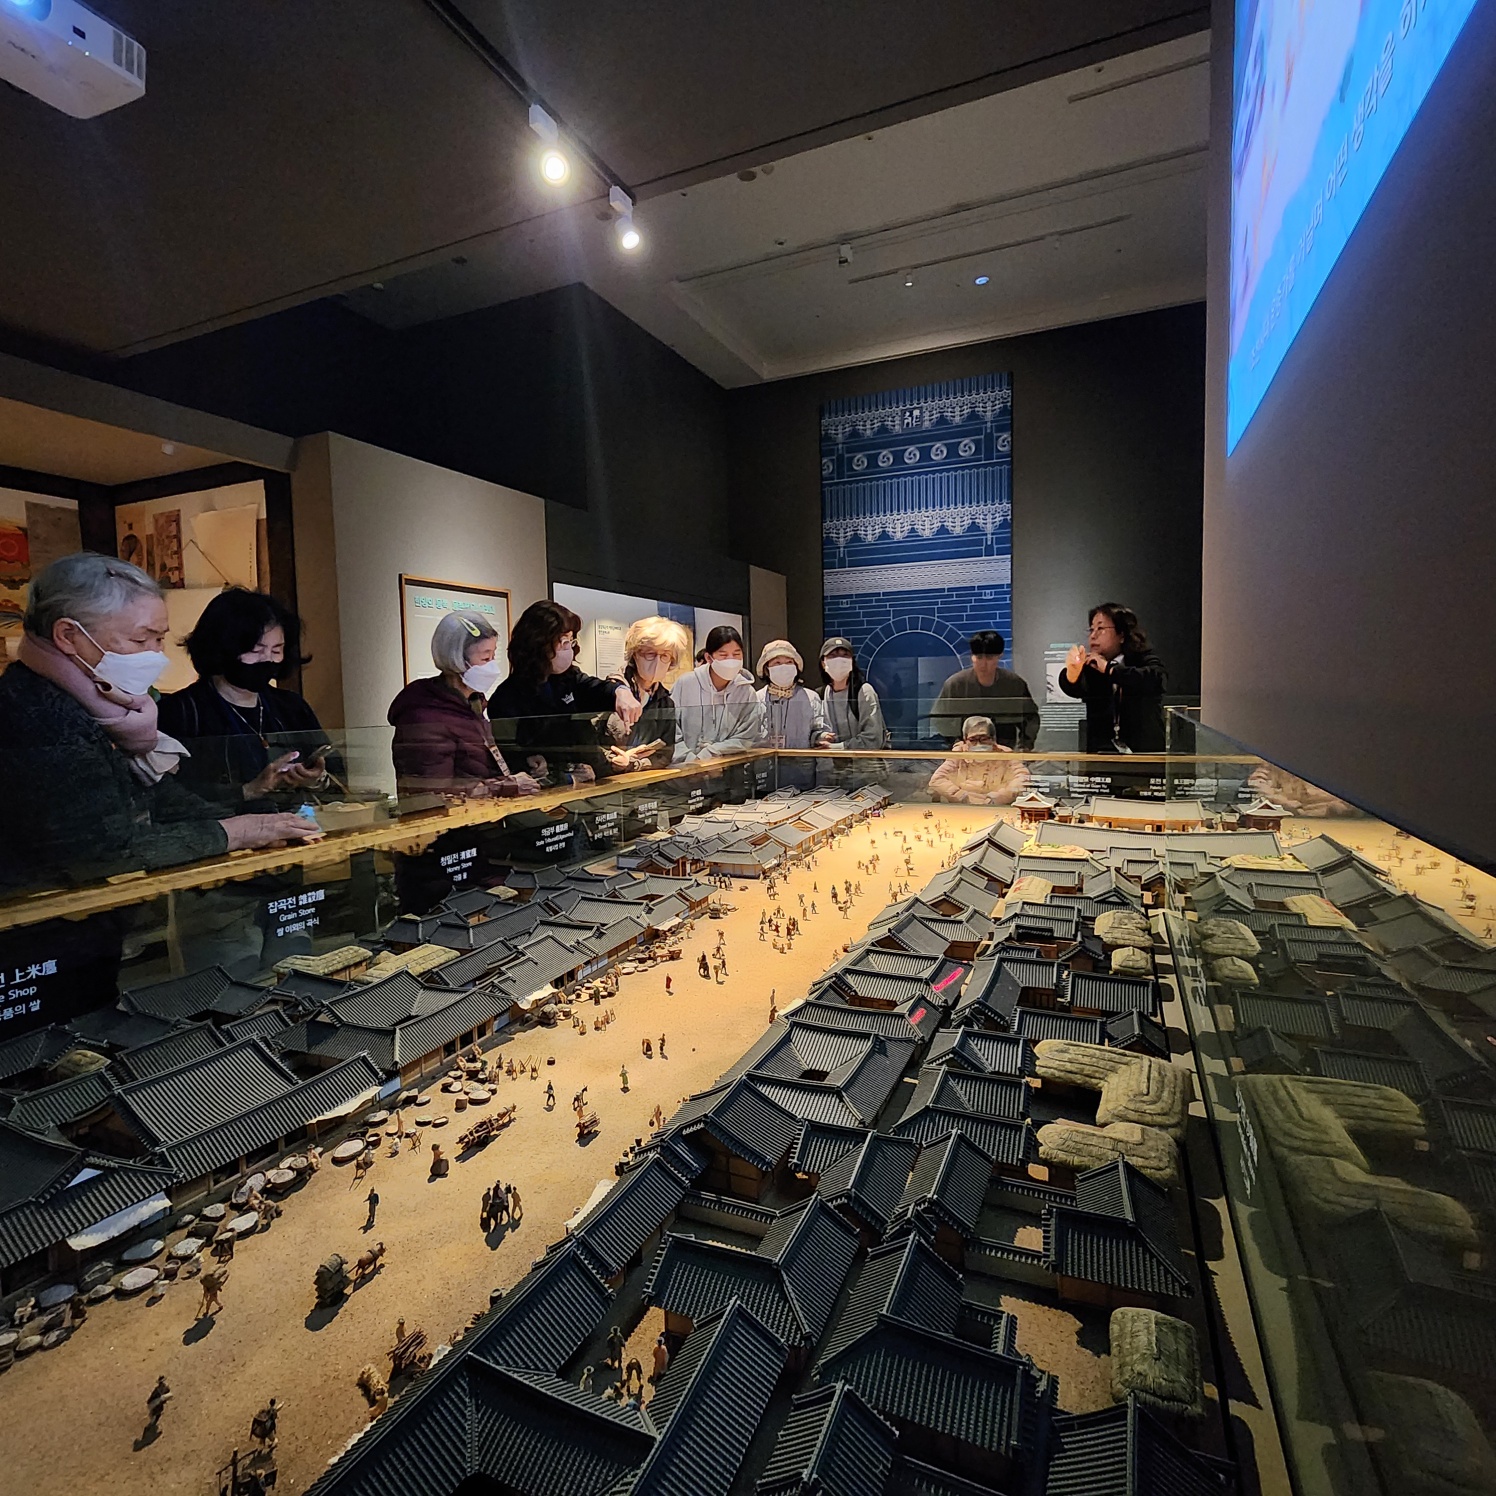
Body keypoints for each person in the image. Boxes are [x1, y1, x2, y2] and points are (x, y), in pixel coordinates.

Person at [0, 554, 321, 898]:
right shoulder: (34, 714)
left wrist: (256, 818)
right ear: (67, 635)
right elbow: (98, 851)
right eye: (142, 641)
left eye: (159, 639)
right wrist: (236, 831)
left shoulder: (109, 706)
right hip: (47, 914)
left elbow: (160, 798)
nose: (156, 655)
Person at [158, 588, 336, 812]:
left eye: (277, 650)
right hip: (222, 831)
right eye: (255, 650)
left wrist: (316, 779)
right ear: (222, 649)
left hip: (294, 827)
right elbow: (166, 797)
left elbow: (337, 773)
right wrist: (247, 791)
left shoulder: (291, 707)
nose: (267, 660)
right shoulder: (179, 712)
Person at [388, 610, 542, 799]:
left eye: (493, 656)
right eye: (485, 658)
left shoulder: (472, 703)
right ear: (457, 659)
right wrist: (504, 786)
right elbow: (432, 793)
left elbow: (476, 766)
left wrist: (520, 769)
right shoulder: (424, 716)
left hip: (478, 811)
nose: (492, 667)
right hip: (453, 816)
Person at [488, 600, 642, 786]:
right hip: (547, 792)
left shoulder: (569, 678)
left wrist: (620, 691)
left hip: (588, 783)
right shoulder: (507, 698)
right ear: (540, 644)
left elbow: (594, 688)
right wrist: (535, 765)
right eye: (563, 641)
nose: (569, 647)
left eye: (570, 640)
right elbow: (510, 759)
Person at [1058, 603, 1166, 752]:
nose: (1093, 636)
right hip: (1102, 755)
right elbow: (1075, 687)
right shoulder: (1092, 666)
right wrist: (1072, 673)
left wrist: (1109, 669)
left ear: (1121, 635)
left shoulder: (1142, 659)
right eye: (1091, 629)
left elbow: (1156, 679)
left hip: (1144, 754)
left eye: (1100, 629)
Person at [599, 616, 691, 773]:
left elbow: (666, 753)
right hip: (607, 781)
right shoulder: (608, 692)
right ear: (635, 654)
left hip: (643, 781)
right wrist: (612, 759)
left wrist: (634, 763)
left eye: (665, 656)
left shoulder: (665, 702)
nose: (657, 662)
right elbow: (587, 744)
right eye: (650, 653)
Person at [928, 630, 1039, 748]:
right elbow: (939, 719)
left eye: (989, 658)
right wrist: (955, 742)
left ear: (999, 656)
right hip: (966, 750)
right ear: (972, 656)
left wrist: (1024, 747)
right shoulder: (955, 684)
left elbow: (1031, 719)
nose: (983, 664)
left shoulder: (1014, 684)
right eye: (979, 657)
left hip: (1003, 750)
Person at [671, 625, 764, 763]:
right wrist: (691, 761)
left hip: (727, 768)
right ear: (709, 658)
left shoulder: (746, 692)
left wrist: (712, 752)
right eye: (723, 655)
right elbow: (671, 730)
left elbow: (746, 736)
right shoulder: (685, 684)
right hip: (684, 768)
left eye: (736, 654)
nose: (731, 660)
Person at [928, 716, 1033, 805]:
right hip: (962, 809)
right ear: (965, 740)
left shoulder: (1005, 754)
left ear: (993, 738)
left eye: (983, 739)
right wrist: (962, 796)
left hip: (997, 809)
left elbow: (1023, 778)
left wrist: (997, 798)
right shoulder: (958, 754)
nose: (978, 744)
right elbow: (937, 780)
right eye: (973, 740)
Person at [816, 637, 887, 752]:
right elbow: (814, 732)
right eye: (832, 656)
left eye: (845, 655)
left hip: (863, 762)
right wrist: (820, 737)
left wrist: (837, 747)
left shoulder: (864, 691)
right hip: (830, 763)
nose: (839, 660)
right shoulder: (820, 695)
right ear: (823, 663)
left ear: (852, 662)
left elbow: (873, 739)